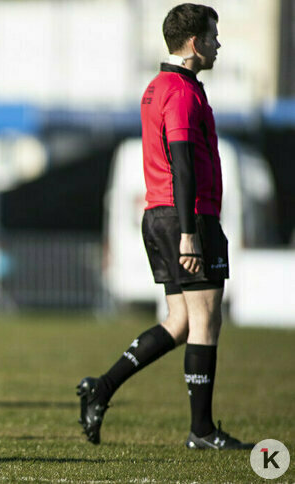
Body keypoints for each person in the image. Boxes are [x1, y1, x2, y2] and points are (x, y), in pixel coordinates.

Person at [77, 4, 252, 450]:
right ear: (193, 43)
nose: (218, 44)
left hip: (158, 214)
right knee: (206, 321)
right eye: (213, 37)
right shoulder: (180, 91)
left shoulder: (156, 87)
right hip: (185, 216)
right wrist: (191, 232)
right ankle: (202, 431)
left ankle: (102, 387)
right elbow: (182, 162)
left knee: (178, 322)